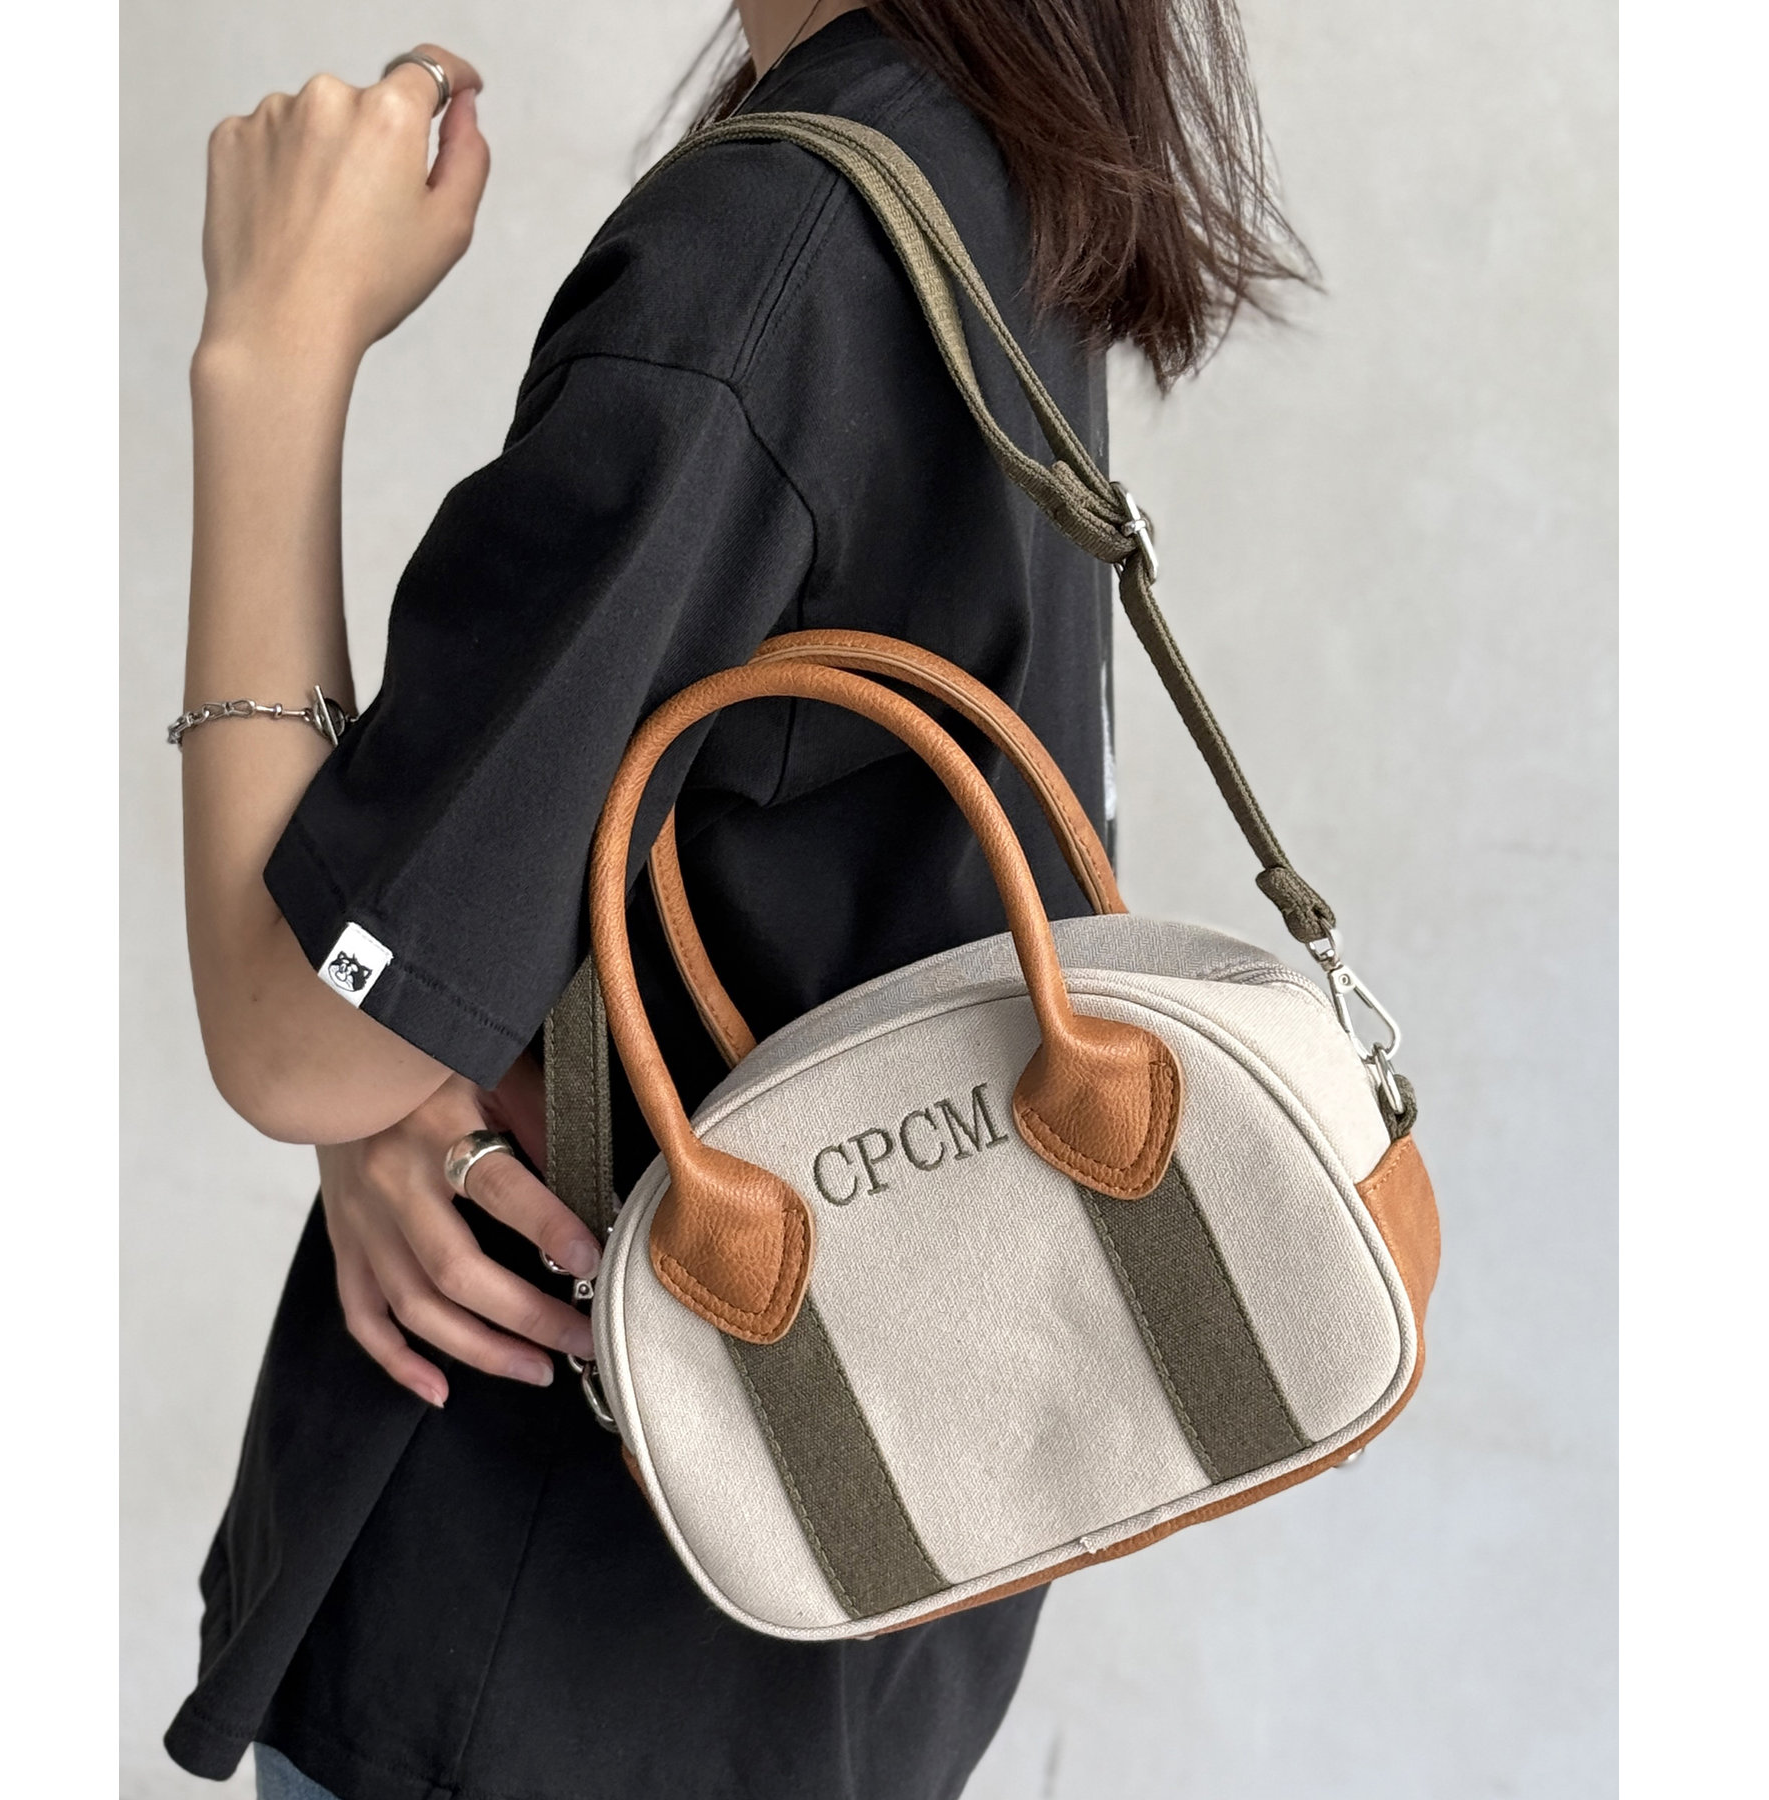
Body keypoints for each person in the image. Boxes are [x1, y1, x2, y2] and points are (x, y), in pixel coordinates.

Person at [164, 4, 1309, 1796]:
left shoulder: (774, 246)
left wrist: (272, 350)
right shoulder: (988, 137)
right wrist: (410, 1071)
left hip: (554, 1616)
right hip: (852, 1600)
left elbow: (297, 1034)